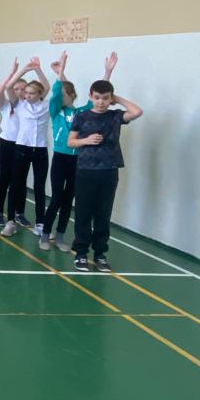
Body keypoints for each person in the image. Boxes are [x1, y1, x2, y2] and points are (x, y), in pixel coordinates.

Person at [40, 51, 117, 251]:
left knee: (68, 201)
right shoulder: (56, 112)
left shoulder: (82, 113)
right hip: (60, 159)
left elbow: (99, 97)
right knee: (57, 198)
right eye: (59, 95)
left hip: (78, 161)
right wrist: (60, 73)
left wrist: (107, 72)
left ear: (72, 96)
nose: (60, 97)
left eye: (64, 94)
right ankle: (45, 234)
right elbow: (57, 93)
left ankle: (60, 236)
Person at [67, 80, 143, 272]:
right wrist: (86, 140)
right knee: (84, 212)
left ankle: (100, 254)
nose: (101, 102)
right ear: (91, 97)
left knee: (103, 214)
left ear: (110, 99)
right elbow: (71, 142)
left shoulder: (115, 116)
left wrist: (117, 99)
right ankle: (81, 253)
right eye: (97, 97)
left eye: (105, 98)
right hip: (86, 170)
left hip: (108, 171)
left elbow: (137, 112)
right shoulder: (81, 117)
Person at [3, 59, 51, 238]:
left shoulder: (46, 106)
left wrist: (38, 69)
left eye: (31, 93)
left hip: (40, 150)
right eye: (26, 92)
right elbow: (8, 87)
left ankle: (40, 223)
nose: (27, 95)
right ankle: (10, 222)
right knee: (16, 184)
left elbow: (46, 85)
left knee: (39, 187)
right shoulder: (20, 105)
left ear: (40, 94)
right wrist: (23, 70)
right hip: (21, 148)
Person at [0, 59, 25, 227]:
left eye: (22, 89)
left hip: (22, 146)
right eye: (16, 88)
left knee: (20, 181)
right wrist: (14, 72)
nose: (19, 91)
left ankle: (19, 212)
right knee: (4, 178)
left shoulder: (28, 106)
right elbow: (1, 89)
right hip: (6, 145)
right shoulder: (6, 105)